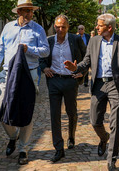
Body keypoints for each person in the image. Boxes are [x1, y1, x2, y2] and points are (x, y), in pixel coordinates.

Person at [64, 13, 119, 171]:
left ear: (109, 27)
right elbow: (87, 61)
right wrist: (76, 68)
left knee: (116, 123)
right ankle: (104, 139)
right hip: (98, 85)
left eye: (99, 25)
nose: (96, 27)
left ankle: (112, 159)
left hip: (115, 85)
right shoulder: (94, 40)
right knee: (94, 120)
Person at [0, 0, 50, 165]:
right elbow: (0, 49)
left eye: (31, 10)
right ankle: (13, 136)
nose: (30, 13)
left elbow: (45, 51)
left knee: (26, 112)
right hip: (7, 73)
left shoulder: (38, 30)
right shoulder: (8, 27)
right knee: (1, 110)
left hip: (29, 74)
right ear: (19, 12)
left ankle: (23, 148)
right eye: (27, 10)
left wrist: (28, 49)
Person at [40, 15, 87, 163]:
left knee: (71, 112)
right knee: (55, 114)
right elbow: (42, 58)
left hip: (70, 81)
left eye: (64, 27)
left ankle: (71, 135)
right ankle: (58, 148)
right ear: (54, 26)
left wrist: (82, 72)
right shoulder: (49, 41)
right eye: (58, 26)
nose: (60, 30)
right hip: (54, 80)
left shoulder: (75, 40)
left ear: (68, 27)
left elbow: (87, 58)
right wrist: (44, 68)